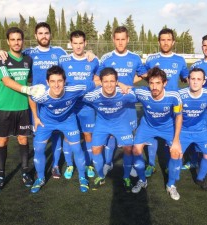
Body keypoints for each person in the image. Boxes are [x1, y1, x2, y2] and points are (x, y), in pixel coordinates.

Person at [0, 22, 95, 179]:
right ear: (36, 36)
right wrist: (1, 52)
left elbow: (74, 57)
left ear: (50, 35)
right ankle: (38, 168)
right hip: (38, 102)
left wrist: (90, 53)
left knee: (56, 135)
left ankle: (55, 165)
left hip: (57, 100)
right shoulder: (29, 53)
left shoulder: (59, 52)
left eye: (46, 33)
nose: (43, 36)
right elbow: (15, 54)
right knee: (40, 136)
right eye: (40, 33)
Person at [0, 27, 45, 192]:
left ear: (23, 41)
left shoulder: (28, 60)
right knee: (2, 141)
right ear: (8, 41)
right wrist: (26, 90)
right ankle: (1, 175)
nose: (16, 42)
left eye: (19, 39)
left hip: (23, 108)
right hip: (4, 108)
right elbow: (7, 81)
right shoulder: (1, 58)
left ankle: (25, 172)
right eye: (13, 39)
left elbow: (30, 81)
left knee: (23, 140)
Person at [30, 65, 97, 193]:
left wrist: (120, 84)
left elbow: (96, 82)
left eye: (60, 81)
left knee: (77, 149)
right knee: (38, 148)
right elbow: (31, 98)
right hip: (46, 123)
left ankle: (82, 177)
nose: (56, 85)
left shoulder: (74, 89)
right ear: (47, 82)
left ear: (64, 81)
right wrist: (35, 116)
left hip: (68, 121)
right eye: (53, 81)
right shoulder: (40, 93)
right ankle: (41, 178)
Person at [94, 26, 147, 177]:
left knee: (128, 141)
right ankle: (108, 163)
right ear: (113, 40)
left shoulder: (135, 58)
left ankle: (128, 166)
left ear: (128, 39)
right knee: (110, 136)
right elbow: (97, 79)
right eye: (117, 39)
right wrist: (118, 84)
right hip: (110, 104)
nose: (120, 42)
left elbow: (143, 75)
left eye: (123, 39)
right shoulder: (106, 58)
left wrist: (130, 84)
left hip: (128, 107)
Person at [131, 67, 183, 201]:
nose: (154, 87)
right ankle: (142, 180)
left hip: (167, 127)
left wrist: (176, 140)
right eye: (151, 83)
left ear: (164, 83)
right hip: (147, 126)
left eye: (158, 83)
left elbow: (178, 116)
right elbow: (126, 89)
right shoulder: (142, 93)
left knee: (176, 152)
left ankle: (171, 185)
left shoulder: (174, 96)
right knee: (136, 150)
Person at [143, 28, 189, 177]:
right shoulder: (151, 59)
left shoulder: (180, 60)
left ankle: (170, 164)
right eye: (163, 39)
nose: (166, 42)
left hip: (173, 104)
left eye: (168, 39)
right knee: (152, 136)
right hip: (155, 103)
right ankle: (151, 164)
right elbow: (142, 74)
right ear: (159, 41)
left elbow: (186, 77)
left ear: (173, 41)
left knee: (173, 135)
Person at [83, 67, 138, 192]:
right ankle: (101, 176)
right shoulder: (93, 95)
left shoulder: (124, 93)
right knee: (95, 148)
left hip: (121, 124)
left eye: (112, 81)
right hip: (102, 124)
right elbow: (77, 93)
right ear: (101, 82)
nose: (109, 85)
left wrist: (127, 87)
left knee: (128, 149)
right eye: (106, 81)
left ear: (117, 82)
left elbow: (144, 94)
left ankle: (126, 177)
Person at [59, 30, 99, 179]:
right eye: (75, 43)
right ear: (71, 44)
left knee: (88, 135)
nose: (78, 46)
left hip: (87, 106)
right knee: (68, 135)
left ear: (85, 43)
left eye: (80, 43)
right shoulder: (63, 60)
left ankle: (88, 164)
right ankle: (70, 164)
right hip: (68, 106)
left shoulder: (93, 60)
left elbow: (100, 79)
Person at [182, 34, 207, 170]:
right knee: (194, 134)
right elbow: (190, 84)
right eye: (204, 45)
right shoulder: (196, 65)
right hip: (196, 109)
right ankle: (193, 161)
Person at [175, 68, 207, 194]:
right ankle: (173, 179)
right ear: (188, 80)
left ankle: (200, 178)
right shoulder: (179, 95)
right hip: (183, 131)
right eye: (192, 79)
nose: (195, 82)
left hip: (201, 131)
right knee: (177, 155)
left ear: (203, 82)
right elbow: (174, 114)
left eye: (199, 79)